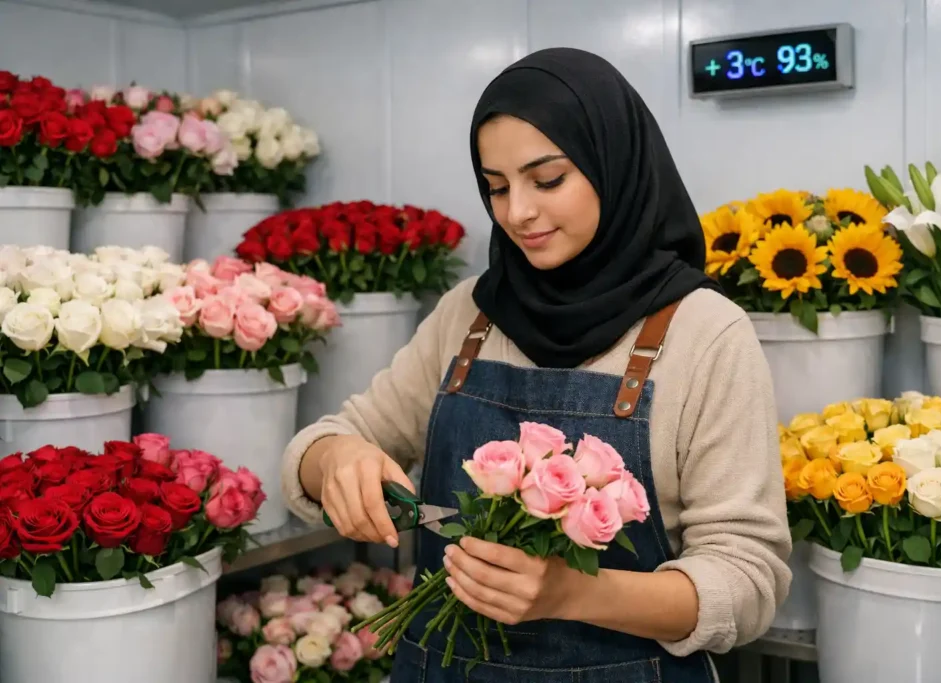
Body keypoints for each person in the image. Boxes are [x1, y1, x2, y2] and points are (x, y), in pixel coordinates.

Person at [282, 47, 791, 682]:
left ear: (614, 164)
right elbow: (324, 441)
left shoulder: (704, 333)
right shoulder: (469, 315)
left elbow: (748, 578)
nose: (517, 212)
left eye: (547, 180)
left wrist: (576, 594)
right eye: (495, 186)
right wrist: (335, 460)